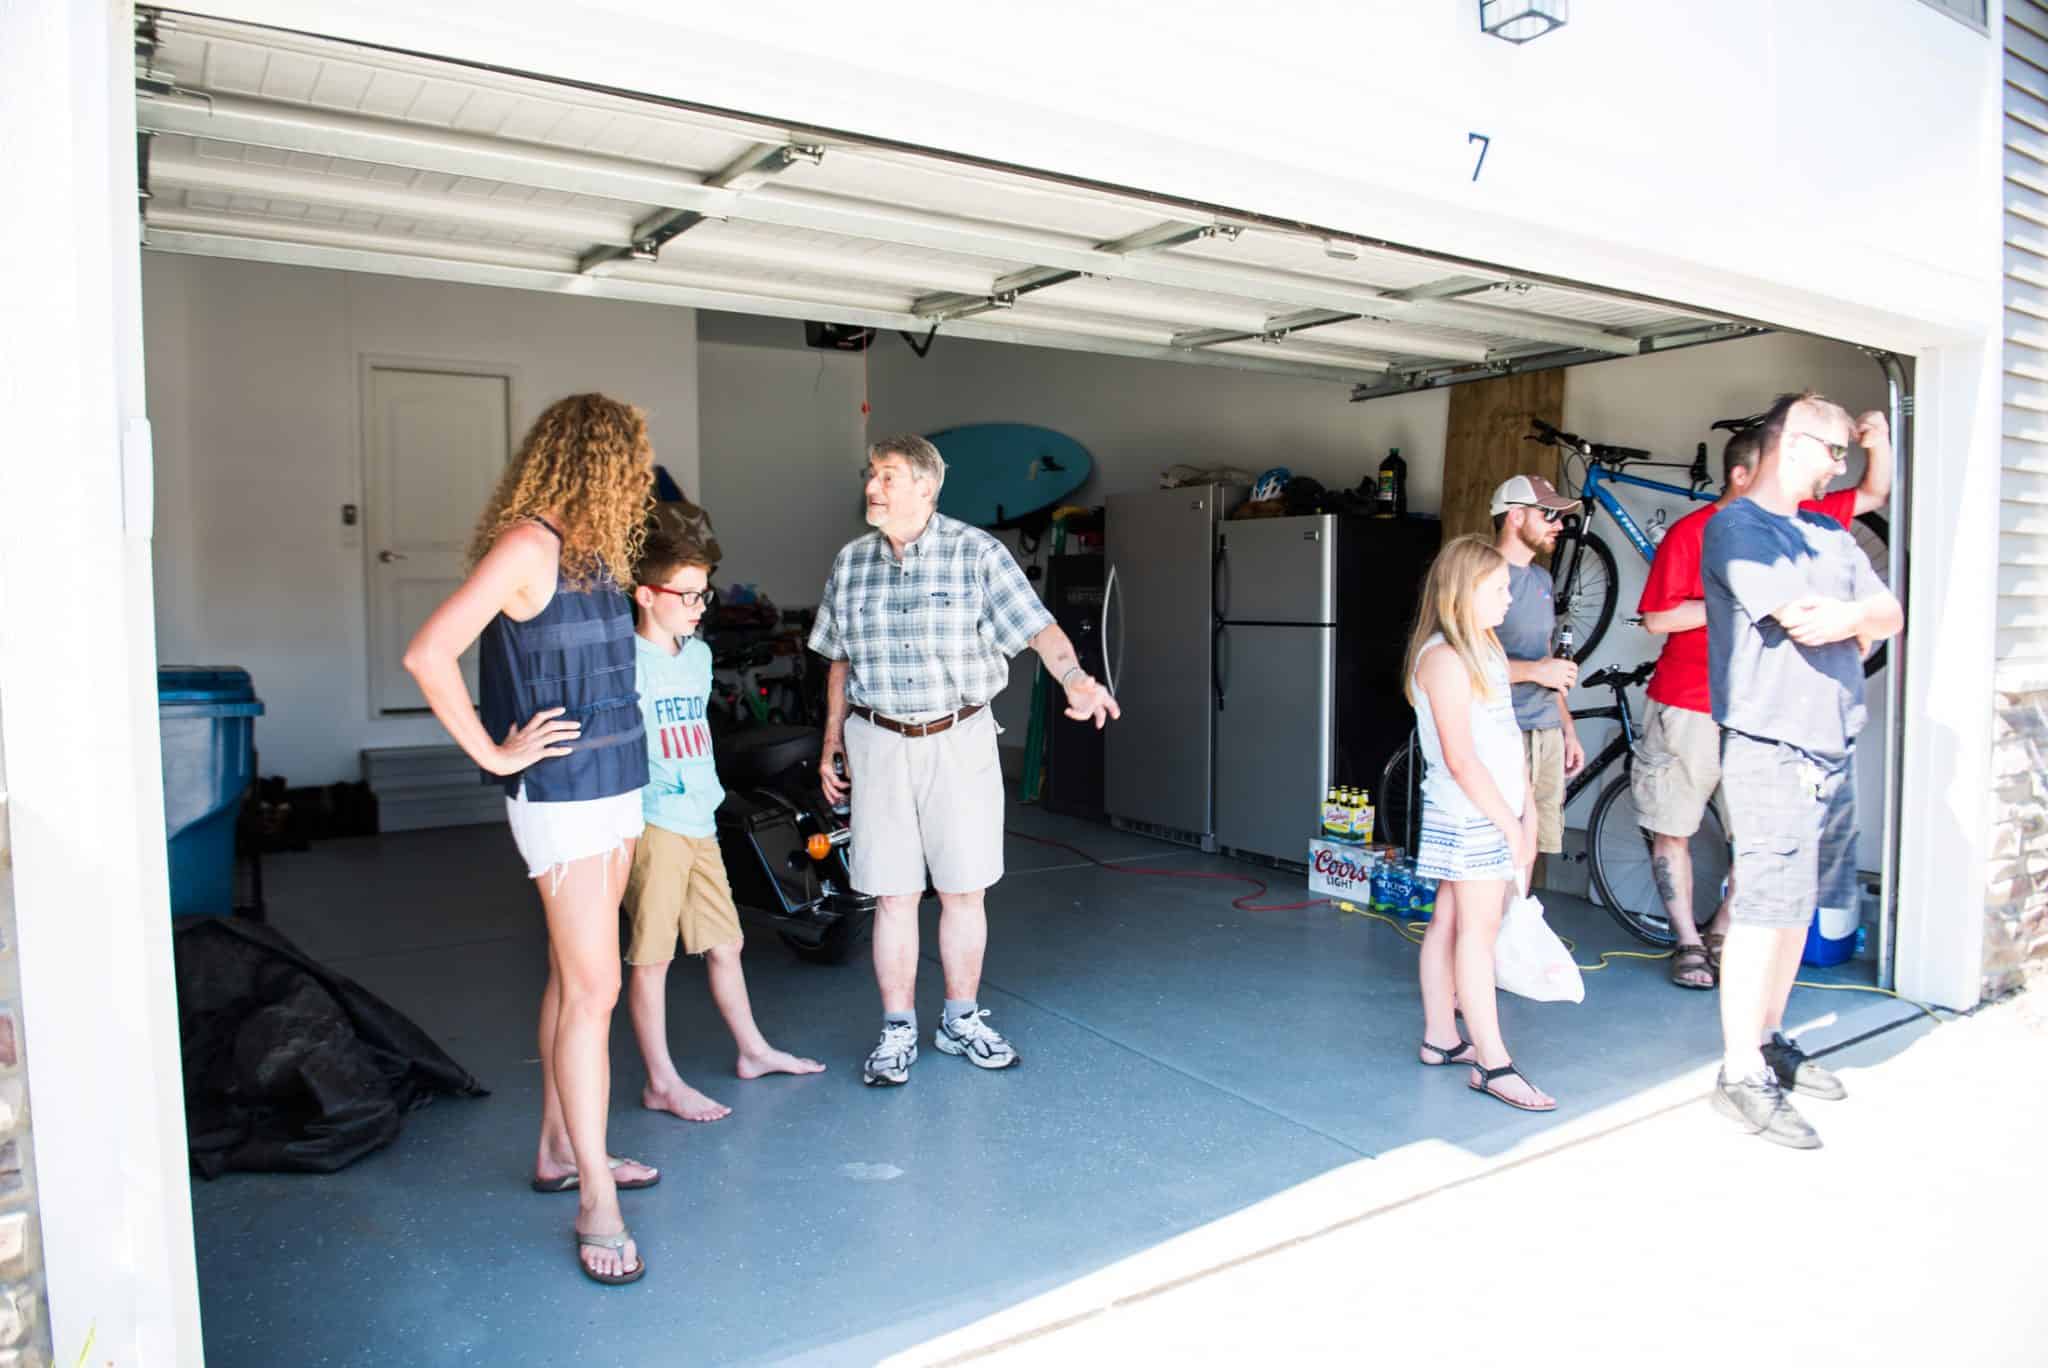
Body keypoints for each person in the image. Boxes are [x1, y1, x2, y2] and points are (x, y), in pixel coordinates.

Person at [403, 393, 656, 1286]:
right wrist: (495, 752)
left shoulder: (593, 554)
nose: (639, 479)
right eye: (630, 462)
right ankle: (596, 1194)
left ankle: (559, 1150)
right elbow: (429, 653)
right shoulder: (528, 547)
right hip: (564, 798)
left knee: (571, 979)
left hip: (619, 784)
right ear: (597, 462)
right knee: (595, 993)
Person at [808, 435, 1120, 1087]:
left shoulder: (976, 554)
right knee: (891, 896)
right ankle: (898, 1032)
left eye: (888, 476)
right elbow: (838, 656)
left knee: (962, 888)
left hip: (959, 738)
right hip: (878, 739)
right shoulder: (851, 562)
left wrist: (1076, 678)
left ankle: (960, 1020)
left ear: (926, 487)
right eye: (871, 474)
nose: (873, 487)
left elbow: (1039, 629)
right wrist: (832, 738)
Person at [1701, 391, 1903, 1149]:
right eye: (1833, 452)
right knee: (1763, 907)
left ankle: (1771, 1036)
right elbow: (1801, 619)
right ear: (1793, 446)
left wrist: (1855, 617)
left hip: (1832, 741)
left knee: (1797, 907)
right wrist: (1854, 619)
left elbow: (1887, 616)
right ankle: (1739, 1072)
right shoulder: (1737, 529)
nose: (1839, 467)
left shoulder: (1828, 531)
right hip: (1771, 745)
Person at [1634, 415, 1893, 989]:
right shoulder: (1697, 530)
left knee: (1759, 835)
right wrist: (1740, 601)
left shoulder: (1810, 524)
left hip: (1763, 711)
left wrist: (1880, 443)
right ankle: (1687, 944)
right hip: (1689, 700)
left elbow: (1875, 494)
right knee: (1671, 824)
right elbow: (1657, 618)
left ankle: (1724, 931)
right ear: (1742, 473)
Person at [623, 518, 824, 1122]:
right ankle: (660, 1081)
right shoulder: (623, 662)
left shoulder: (700, 657)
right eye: (686, 595)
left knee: (726, 942)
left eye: (703, 594)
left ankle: (753, 1051)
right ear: (646, 595)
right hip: (655, 821)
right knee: (652, 958)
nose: (698, 607)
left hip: (700, 815)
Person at [1406, 535, 1554, 1112]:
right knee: (1477, 935)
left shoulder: (1485, 649)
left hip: (1493, 811)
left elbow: (1505, 735)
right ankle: (1494, 1063)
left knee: (1449, 921)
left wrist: (1529, 809)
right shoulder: (1441, 658)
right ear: (1464, 592)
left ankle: (1442, 1038)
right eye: (1497, 589)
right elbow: (1462, 758)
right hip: (1470, 816)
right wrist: (1509, 824)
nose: (1507, 600)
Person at [1489, 474, 1586, 886]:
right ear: (1514, 516)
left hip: (1544, 728)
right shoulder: (1481, 576)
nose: (1559, 525)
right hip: (1503, 729)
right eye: (1548, 514)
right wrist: (1536, 672)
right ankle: (1487, 937)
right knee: (1497, 842)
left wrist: (1567, 728)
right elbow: (1464, 664)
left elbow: (1547, 661)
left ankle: (1514, 928)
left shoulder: (1543, 581)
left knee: (1530, 841)